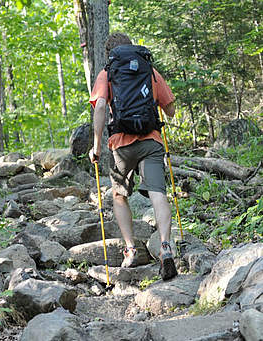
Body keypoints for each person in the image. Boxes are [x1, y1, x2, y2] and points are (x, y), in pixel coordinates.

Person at [88, 32, 177, 280]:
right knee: (158, 194)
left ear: (110, 53)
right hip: (151, 141)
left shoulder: (107, 73)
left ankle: (130, 250)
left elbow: (101, 107)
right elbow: (170, 109)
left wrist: (96, 146)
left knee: (118, 195)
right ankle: (166, 247)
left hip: (121, 145)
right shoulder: (149, 70)